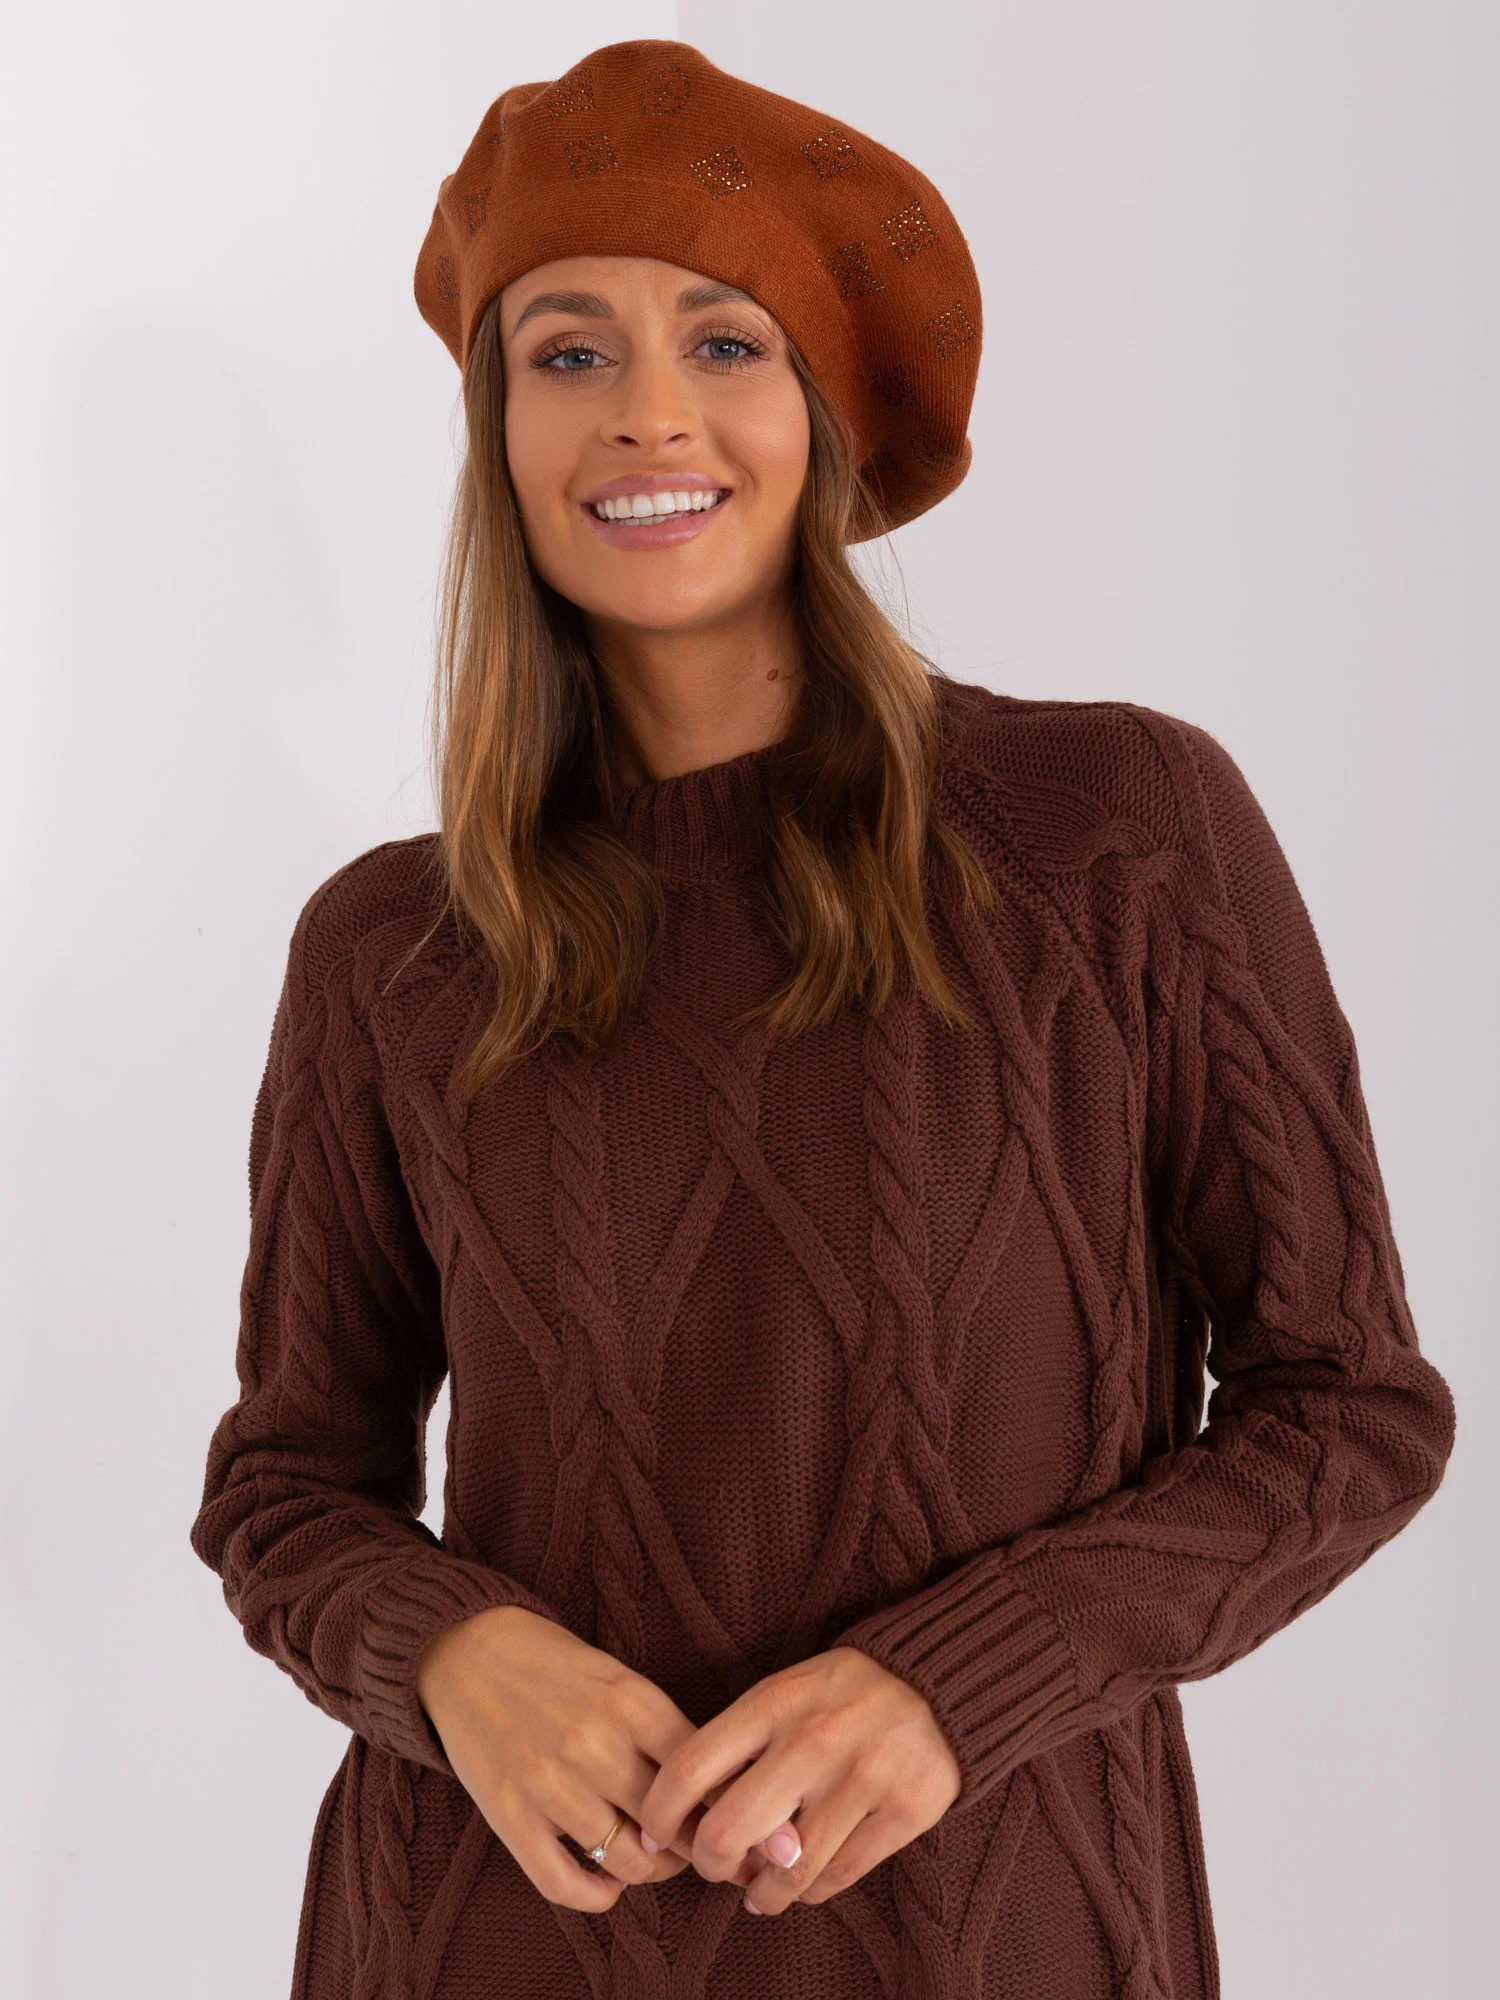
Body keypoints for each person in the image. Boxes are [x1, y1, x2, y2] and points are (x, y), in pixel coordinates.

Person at [188, 37, 1457, 2000]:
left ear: (822, 415)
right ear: (501, 429)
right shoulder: (390, 946)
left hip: (1004, 1938)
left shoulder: (1117, 832)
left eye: (724, 341)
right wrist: (451, 1654)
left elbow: (1349, 1407)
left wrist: (970, 1677)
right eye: (568, 351)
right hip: (486, 1942)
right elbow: (287, 1488)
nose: (646, 410)